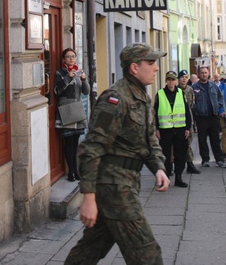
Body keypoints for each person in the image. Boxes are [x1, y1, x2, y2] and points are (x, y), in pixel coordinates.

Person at [65, 43, 169, 265]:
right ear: (134, 67)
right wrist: (89, 197)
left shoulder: (142, 97)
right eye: (150, 63)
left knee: (90, 249)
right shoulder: (116, 98)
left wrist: (158, 167)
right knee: (147, 253)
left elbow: (150, 139)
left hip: (126, 182)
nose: (156, 68)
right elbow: (90, 149)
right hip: (114, 186)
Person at [54, 48, 89, 181]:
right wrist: (68, 77)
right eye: (68, 57)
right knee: (68, 142)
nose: (71, 59)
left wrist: (84, 79)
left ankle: (76, 170)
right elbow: (57, 90)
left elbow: (86, 91)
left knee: (75, 142)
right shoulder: (60, 72)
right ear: (63, 59)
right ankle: (71, 172)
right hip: (67, 111)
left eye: (73, 56)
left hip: (77, 110)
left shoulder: (79, 71)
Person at [155, 71, 192, 187]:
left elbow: (187, 112)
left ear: (176, 81)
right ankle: (165, 177)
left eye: (173, 79)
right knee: (165, 154)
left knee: (180, 154)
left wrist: (187, 128)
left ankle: (178, 177)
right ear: (166, 80)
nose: (171, 82)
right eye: (169, 79)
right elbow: (155, 112)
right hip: (165, 129)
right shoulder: (160, 94)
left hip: (180, 129)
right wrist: (156, 128)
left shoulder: (181, 93)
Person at [191, 66, 226, 168]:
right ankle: (205, 159)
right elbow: (191, 102)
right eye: (202, 73)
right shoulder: (194, 87)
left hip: (213, 116)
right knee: (202, 139)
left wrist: (218, 107)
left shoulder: (213, 86)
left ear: (208, 74)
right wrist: (196, 109)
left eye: (205, 72)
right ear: (199, 74)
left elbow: (220, 98)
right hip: (201, 117)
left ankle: (219, 160)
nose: (204, 74)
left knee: (215, 139)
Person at [177, 70, 201, 174]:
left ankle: (190, 164)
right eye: (182, 77)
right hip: (177, 120)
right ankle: (173, 165)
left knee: (188, 142)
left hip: (188, 119)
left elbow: (191, 104)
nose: (184, 79)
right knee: (176, 145)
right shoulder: (175, 89)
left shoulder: (190, 89)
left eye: (186, 77)